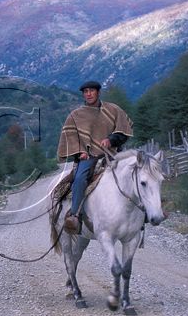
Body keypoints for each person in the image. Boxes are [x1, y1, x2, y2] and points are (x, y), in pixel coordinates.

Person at [57, 80, 133, 234]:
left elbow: (124, 131)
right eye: (85, 91)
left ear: (98, 92)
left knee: (136, 172)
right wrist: (79, 152)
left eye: (92, 91)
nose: (88, 94)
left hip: (113, 153)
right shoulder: (76, 115)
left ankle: (149, 212)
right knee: (79, 179)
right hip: (88, 156)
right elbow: (70, 137)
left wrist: (110, 140)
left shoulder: (113, 110)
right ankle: (74, 215)